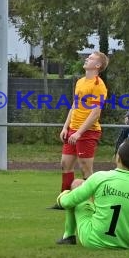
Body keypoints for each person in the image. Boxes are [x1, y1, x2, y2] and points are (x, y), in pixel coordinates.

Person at [49, 51, 109, 209]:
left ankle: (94, 203)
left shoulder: (99, 85)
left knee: (85, 169)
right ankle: (64, 201)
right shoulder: (81, 81)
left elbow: (95, 113)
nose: (87, 58)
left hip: (88, 132)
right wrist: (66, 127)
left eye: (91, 58)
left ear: (97, 65)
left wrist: (79, 132)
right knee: (65, 164)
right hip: (73, 130)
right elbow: (74, 106)